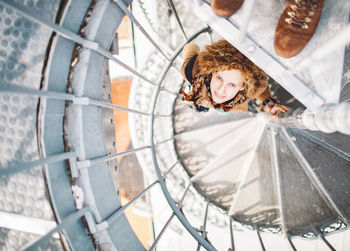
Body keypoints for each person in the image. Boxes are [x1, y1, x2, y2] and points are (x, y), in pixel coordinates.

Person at [180, 39, 289, 117]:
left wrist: (268, 104)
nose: (221, 90)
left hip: (230, 105)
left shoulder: (252, 87)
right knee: (199, 104)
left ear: (243, 86)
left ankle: (220, 108)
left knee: (223, 110)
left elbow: (260, 89)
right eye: (219, 78)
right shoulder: (191, 71)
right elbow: (190, 46)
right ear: (213, 70)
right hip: (200, 95)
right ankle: (201, 105)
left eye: (232, 85)